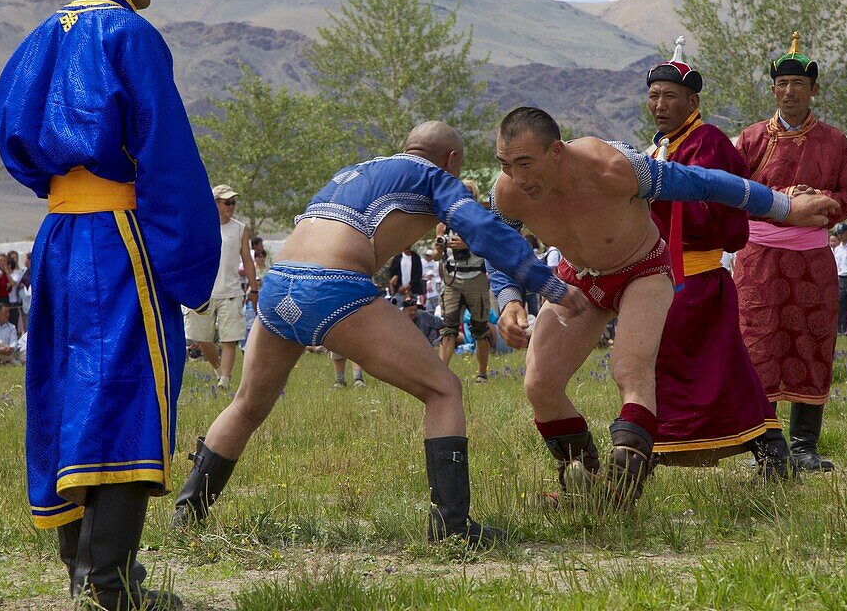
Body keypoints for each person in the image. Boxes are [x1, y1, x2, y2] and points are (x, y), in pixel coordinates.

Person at [170, 121, 589, 547]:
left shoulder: (353, 172)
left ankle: (187, 514)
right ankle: (452, 527)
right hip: (333, 286)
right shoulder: (435, 178)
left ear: (405, 147)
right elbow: (480, 230)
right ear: (452, 161)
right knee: (443, 390)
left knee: (246, 406)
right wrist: (548, 283)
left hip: (280, 285)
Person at [0, 0, 219, 607]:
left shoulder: (39, 38)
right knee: (125, 390)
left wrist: (68, 193)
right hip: (119, 236)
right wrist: (188, 260)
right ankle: (111, 582)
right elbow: (167, 159)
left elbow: (12, 136)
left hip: (59, 235)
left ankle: (84, 572)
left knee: (68, 389)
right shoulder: (129, 35)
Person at [488, 106, 837, 508]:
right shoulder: (507, 193)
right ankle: (581, 481)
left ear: (556, 151)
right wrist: (509, 299)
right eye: (507, 164)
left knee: (631, 371)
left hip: (642, 270)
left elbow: (706, 183)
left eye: (526, 163)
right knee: (539, 383)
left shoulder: (612, 168)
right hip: (578, 278)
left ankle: (620, 496)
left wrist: (785, 208)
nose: (519, 178)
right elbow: (497, 244)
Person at [642, 40, 790, 478]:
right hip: (666, 276)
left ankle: (642, 451)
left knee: (668, 362)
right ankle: (772, 449)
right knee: (722, 366)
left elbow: (718, 216)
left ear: (692, 101)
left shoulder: (706, 143)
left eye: (670, 96)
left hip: (697, 278)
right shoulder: (656, 150)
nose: (660, 104)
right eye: (654, 96)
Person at [733, 33, 847, 473]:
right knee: (758, 346)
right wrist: (783, 197)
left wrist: (820, 200)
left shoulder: (834, 142)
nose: (790, 92)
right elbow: (733, 192)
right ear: (773, 90)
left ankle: (805, 444)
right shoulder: (749, 140)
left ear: (814, 91)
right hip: (759, 260)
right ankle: (766, 447)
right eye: (782, 83)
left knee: (812, 344)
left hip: (812, 261)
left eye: (798, 85)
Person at [184, 184, 257, 391]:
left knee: (230, 338)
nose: (231, 206)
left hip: (232, 291)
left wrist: (254, 288)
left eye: (233, 202)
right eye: (227, 202)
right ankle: (218, 369)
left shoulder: (240, 229)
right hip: (203, 291)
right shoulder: (198, 227)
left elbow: (248, 261)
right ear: (214, 203)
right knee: (201, 337)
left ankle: (225, 380)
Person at [435, 180, 494, 383]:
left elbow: (490, 245)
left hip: (476, 278)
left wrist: (468, 244)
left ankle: (482, 373)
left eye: (469, 192)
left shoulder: (482, 218)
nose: (465, 194)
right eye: (462, 191)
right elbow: (436, 255)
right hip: (452, 279)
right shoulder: (444, 220)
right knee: (448, 327)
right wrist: (439, 245)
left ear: (475, 195)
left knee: (479, 328)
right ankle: (441, 376)